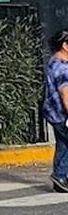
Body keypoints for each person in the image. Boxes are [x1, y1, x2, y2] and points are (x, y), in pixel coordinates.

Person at [44, 29, 68, 192]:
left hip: (52, 112)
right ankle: (60, 175)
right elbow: (66, 94)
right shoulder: (63, 69)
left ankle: (60, 176)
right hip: (61, 113)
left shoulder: (54, 61)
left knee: (63, 143)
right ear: (65, 46)